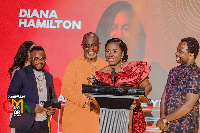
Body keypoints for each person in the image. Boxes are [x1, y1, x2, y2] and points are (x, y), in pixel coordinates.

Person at [93, 38, 152, 132]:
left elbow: (147, 86)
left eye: (114, 51)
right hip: (109, 120)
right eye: (107, 51)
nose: (110, 54)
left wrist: (139, 97)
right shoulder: (101, 74)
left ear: (123, 53)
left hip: (131, 117)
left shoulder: (133, 69)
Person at [61, 32, 107, 133]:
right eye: (87, 46)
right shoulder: (74, 65)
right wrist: (85, 101)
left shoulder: (105, 66)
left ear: (99, 45)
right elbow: (66, 90)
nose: (91, 49)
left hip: (97, 121)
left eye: (93, 45)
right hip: (75, 120)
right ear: (82, 46)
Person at [7, 46, 57, 133]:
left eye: (42, 58)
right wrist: (32, 107)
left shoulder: (49, 76)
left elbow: (53, 96)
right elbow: (11, 97)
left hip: (43, 124)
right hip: (24, 124)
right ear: (30, 58)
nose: (39, 61)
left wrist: (54, 107)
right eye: (36, 59)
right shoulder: (21, 74)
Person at [156, 37, 200, 133]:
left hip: (184, 126)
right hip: (167, 126)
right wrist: (163, 119)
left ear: (191, 54)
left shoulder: (195, 74)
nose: (177, 53)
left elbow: (188, 104)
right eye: (177, 50)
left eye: (181, 51)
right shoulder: (173, 71)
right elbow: (164, 96)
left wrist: (166, 120)